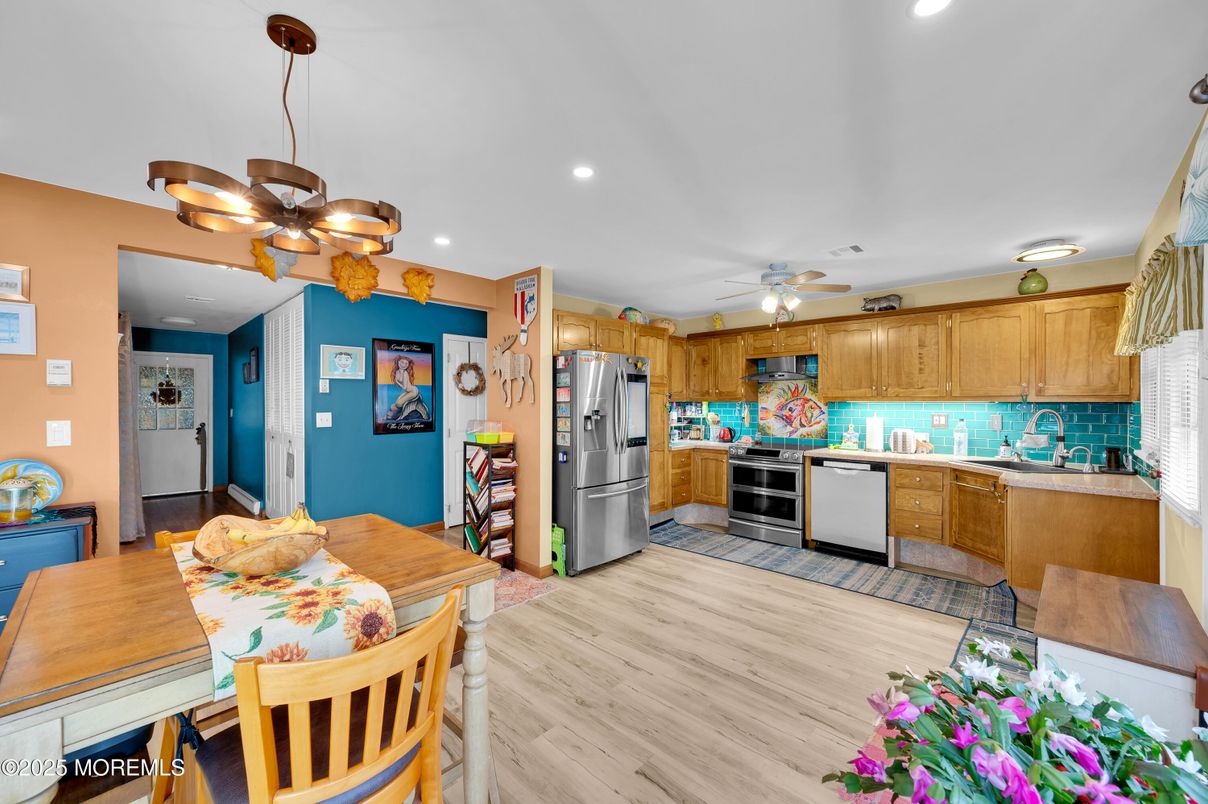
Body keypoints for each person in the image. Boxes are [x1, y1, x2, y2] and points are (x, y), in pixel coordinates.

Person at [385, 355, 430, 421]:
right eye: (402, 362)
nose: (404, 365)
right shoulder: (397, 372)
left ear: (408, 365)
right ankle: (393, 415)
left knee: (398, 404)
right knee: (395, 404)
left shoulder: (405, 373)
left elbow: (404, 386)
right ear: (398, 362)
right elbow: (398, 381)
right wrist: (398, 381)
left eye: (406, 363)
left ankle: (407, 413)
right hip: (408, 391)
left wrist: (398, 382)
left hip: (413, 391)